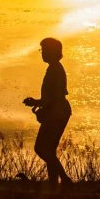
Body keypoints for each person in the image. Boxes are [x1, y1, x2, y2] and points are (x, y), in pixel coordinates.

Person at [23, 37, 73, 185]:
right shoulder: (54, 68)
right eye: (42, 50)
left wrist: (39, 103)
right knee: (49, 150)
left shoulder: (55, 70)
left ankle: (64, 179)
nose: (42, 53)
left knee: (41, 148)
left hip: (57, 112)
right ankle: (54, 183)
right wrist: (38, 102)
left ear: (52, 52)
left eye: (44, 50)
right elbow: (50, 96)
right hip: (58, 111)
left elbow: (55, 96)